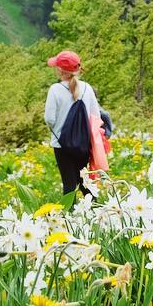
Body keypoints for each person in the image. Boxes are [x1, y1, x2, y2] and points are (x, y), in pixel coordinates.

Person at [44, 51, 101, 197]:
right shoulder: (87, 88)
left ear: (60, 70)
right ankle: (97, 210)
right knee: (84, 181)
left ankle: (68, 216)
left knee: (69, 185)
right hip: (83, 144)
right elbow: (96, 115)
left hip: (61, 144)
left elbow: (49, 118)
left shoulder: (55, 89)